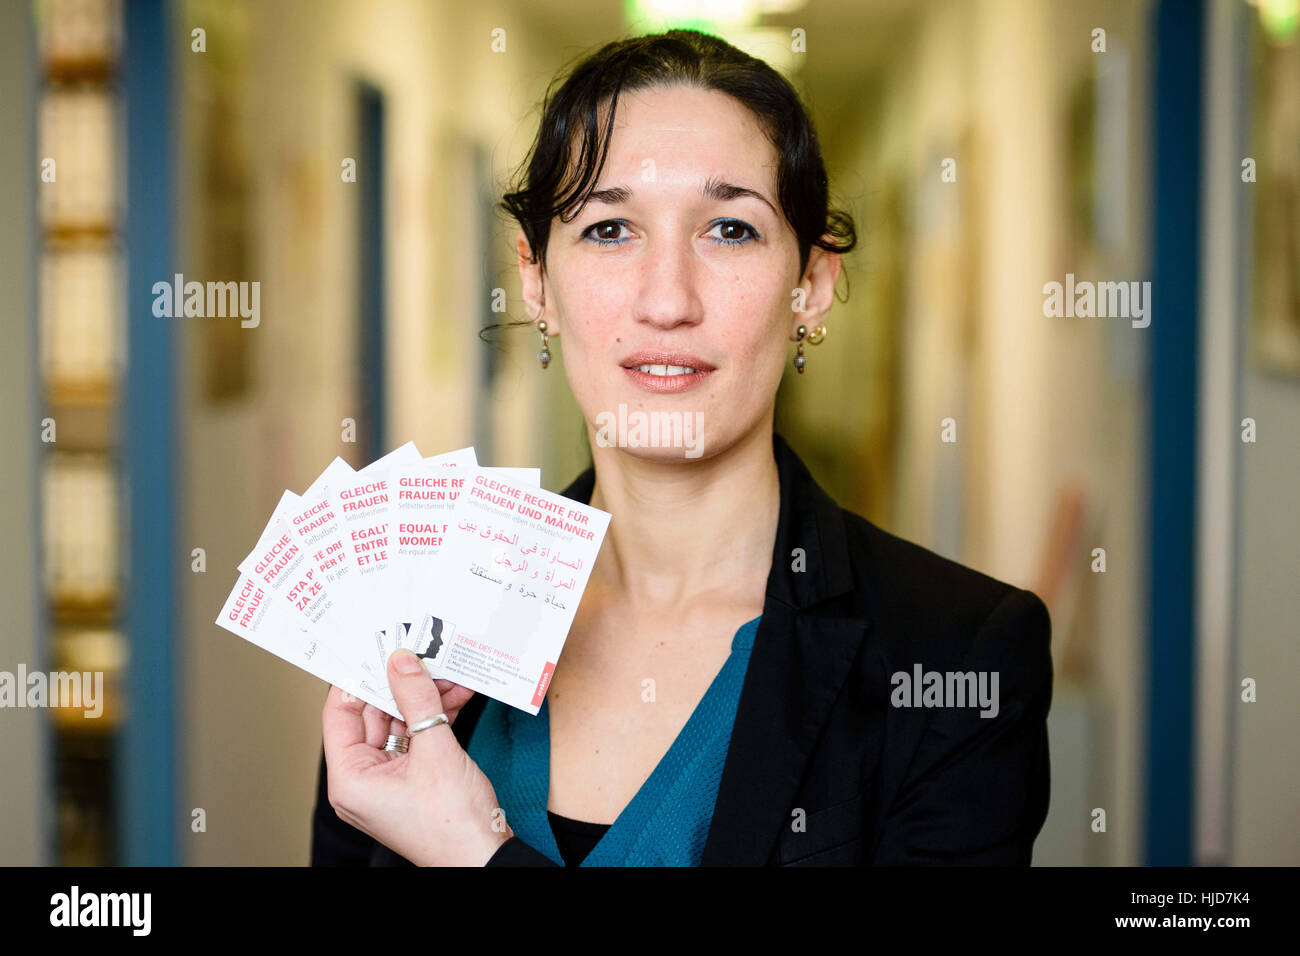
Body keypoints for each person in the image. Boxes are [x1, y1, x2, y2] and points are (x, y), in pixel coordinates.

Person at [312, 29, 1052, 868]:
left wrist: (476, 856)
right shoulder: (414, 619)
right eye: (610, 229)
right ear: (535, 280)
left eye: (730, 230)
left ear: (811, 285)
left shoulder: (954, 654)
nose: (668, 301)